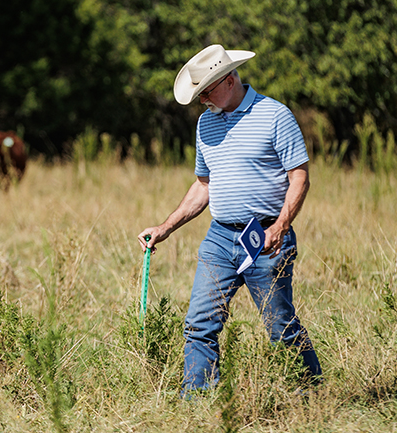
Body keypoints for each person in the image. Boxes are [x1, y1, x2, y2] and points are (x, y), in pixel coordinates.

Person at [137, 44, 322, 394]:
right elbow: (203, 186)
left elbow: (299, 176)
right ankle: (197, 397)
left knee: (279, 324)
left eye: (206, 91)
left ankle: (309, 392)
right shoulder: (206, 124)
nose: (202, 100)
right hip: (220, 238)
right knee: (199, 323)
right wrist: (164, 228)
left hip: (266, 237)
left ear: (229, 79)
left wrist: (280, 226)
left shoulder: (274, 115)